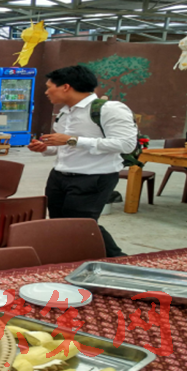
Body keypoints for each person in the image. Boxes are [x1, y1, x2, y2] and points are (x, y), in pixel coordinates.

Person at [28, 65, 137, 258]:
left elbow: (126, 144)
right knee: (59, 223)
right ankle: (69, 259)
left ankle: (118, 258)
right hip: (60, 176)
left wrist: (72, 140)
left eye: (49, 87)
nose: (46, 92)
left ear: (65, 87)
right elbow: (64, 146)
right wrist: (45, 148)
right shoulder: (64, 113)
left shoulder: (109, 109)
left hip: (93, 177)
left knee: (81, 224)